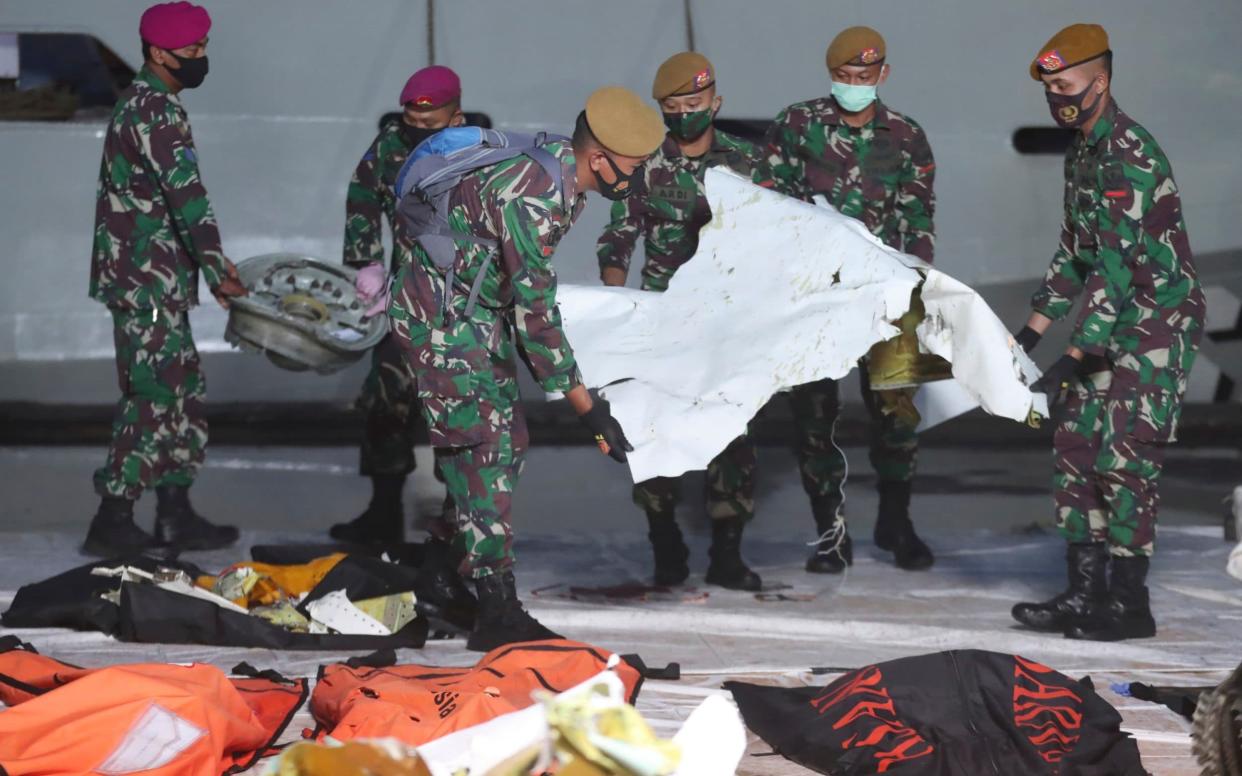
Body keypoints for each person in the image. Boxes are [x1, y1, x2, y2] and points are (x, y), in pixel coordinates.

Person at [388, 87, 665, 651]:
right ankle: (497, 608)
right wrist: (591, 410)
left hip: (469, 312)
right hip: (440, 320)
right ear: (599, 159)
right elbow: (534, 310)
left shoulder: (557, 171)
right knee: (484, 447)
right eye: (632, 168)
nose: (635, 179)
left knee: (501, 441)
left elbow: (519, 293)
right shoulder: (537, 195)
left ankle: (441, 583)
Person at [1011, 24, 1205, 641]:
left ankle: (1128, 605)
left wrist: (1074, 351)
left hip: (1154, 320)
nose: (1058, 98)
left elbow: (1118, 266)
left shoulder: (1129, 152)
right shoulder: (1084, 150)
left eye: (1066, 85)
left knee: (1125, 456)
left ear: (1101, 79)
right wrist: (1029, 333)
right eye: (1049, 89)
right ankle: (1084, 592)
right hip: (1109, 312)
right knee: (1073, 446)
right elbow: (1076, 254)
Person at [754, 26, 936, 573]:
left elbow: (920, 218)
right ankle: (829, 531)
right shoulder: (796, 125)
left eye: (863, 77)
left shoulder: (906, 136)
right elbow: (770, 205)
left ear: (883, 75)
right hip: (815, 298)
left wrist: (912, 279)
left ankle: (896, 521)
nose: (853, 86)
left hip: (888, 296)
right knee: (815, 417)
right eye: (844, 78)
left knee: (898, 412)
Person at [85, 1, 246, 556]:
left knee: (183, 393)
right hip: (145, 282)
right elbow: (187, 199)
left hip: (157, 279)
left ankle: (175, 513)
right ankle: (113, 514)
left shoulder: (149, 104)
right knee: (153, 396)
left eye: (203, 48)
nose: (201, 59)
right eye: (192, 51)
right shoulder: (154, 110)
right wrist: (219, 272)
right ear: (158, 53)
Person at [596, 52, 763, 591]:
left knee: (732, 435)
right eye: (673, 106)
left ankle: (727, 553)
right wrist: (615, 301)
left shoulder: (748, 163)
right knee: (652, 434)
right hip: (663, 322)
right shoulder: (645, 163)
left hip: (729, 323)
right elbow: (619, 234)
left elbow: (780, 235)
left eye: (693, 103)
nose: (685, 113)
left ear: (715, 102)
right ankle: (664, 542)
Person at [330, 66, 466, 546]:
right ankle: (382, 511)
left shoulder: (478, 152)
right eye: (412, 122)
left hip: (459, 310)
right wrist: (366, 264)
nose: (417, 133)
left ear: (456, 117)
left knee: (459, 415)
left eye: (430, 126)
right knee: (386, 404)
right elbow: (362, 196)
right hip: (401, 301)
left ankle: (460, 525)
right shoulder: (391, 144)